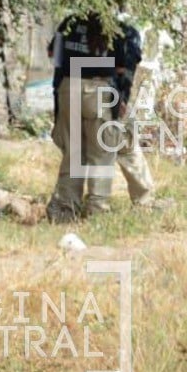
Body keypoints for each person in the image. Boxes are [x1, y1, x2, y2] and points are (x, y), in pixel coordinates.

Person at [46, 13, 119, 222]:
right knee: (102, 153)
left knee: (73, 153)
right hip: (98, 90)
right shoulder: (113, 24)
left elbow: (55, 56)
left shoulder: (69, 21)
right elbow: (120, 67)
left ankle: (66, 209)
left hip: (69, 86)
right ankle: (97, 209)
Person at [109, 17, 171, 211]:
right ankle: (143, 200)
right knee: (127, 148)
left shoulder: (90, 27)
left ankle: (87, 203)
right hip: (113, 98)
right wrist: (122, 99)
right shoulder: (129, 34)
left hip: (82, 95)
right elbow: (126, 70)